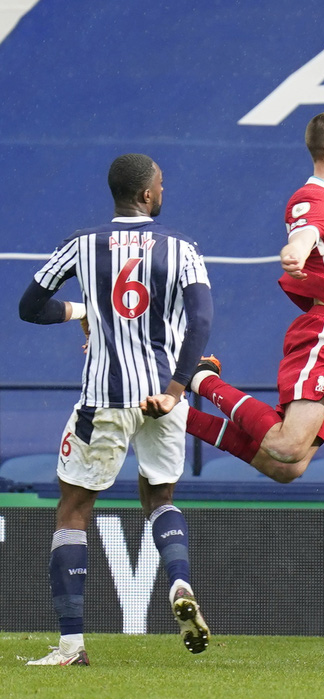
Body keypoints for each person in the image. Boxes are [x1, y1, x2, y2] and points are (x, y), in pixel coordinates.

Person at [17, 154, 211, 664]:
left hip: (105, 397)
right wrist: (175, 389)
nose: (163, 191)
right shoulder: (182, 248)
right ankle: (179, 581)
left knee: (74, 508)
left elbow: (29, 307)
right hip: (162, 395)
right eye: (161, 185)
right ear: (147, 195)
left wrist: (81, 309)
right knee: (159, 496)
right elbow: (200, 321)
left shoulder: (82, 244)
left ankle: (71, 645)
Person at [152, 112, 324, 481]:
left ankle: (175, 413)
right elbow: (304, 233)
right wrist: (295, 251)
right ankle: (200, 378)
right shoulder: (312, 198)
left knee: (287, 467)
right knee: (285, 446)